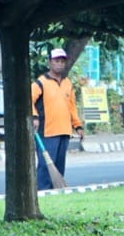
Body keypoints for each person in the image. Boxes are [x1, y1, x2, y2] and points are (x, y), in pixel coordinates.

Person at [31, 47, 84, 190]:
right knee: (45, 165)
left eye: (62, 61)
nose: (59, 64)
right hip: (47, 131)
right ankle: (42, 192)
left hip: (64, 131)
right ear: (49, 62)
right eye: (56, 61)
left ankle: (56, 192)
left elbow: (72, 107)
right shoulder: (41, 82)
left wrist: (78, 126)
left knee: (59, 166)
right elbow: (28, 100)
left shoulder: (68, 84)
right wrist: (34, 116)